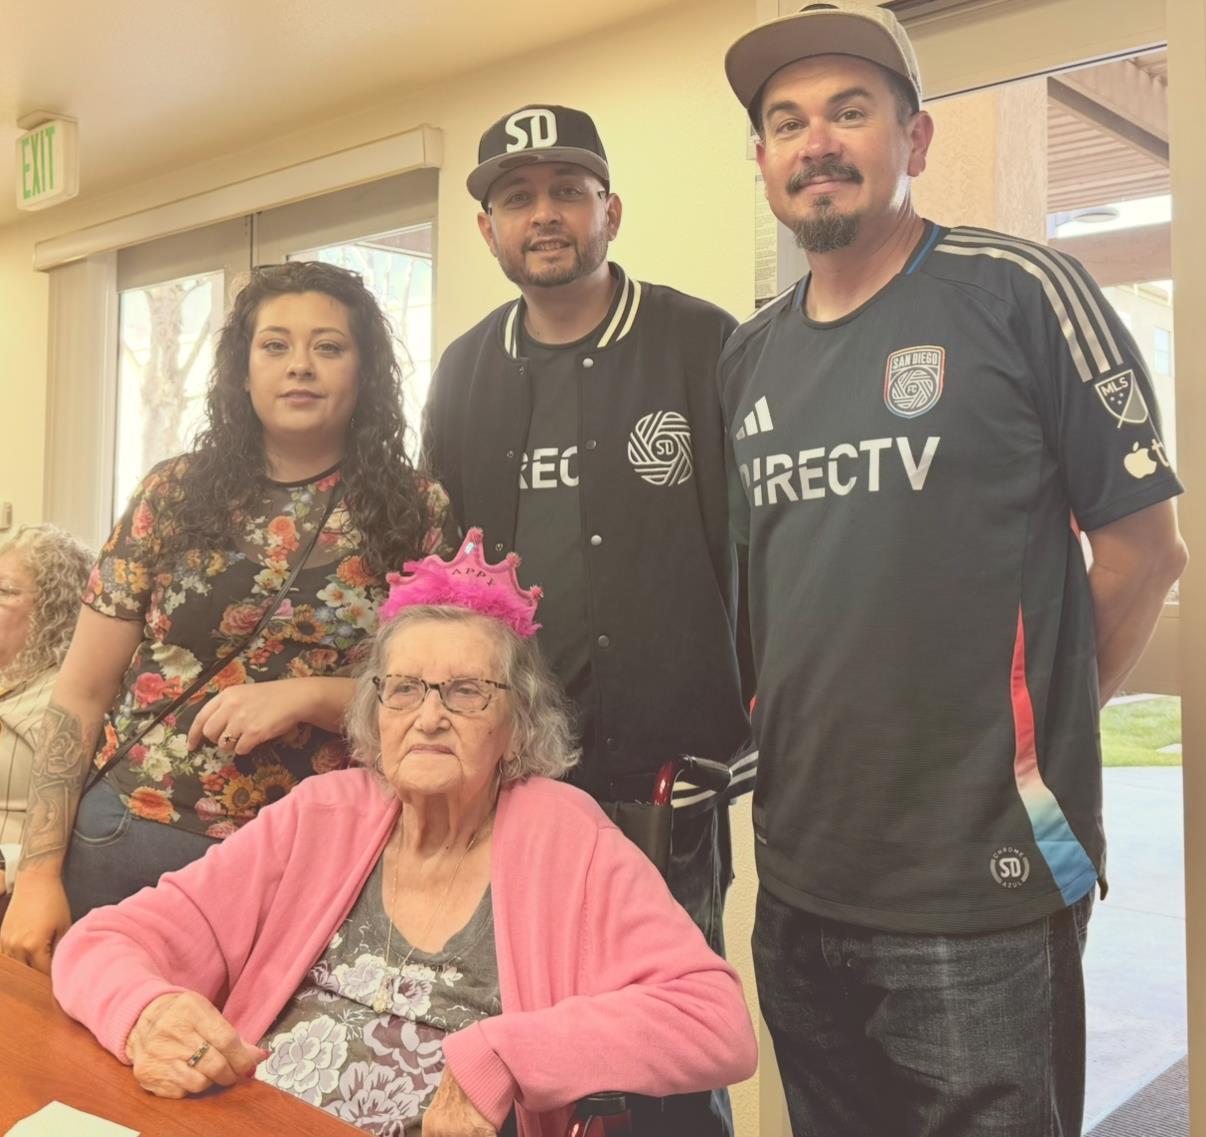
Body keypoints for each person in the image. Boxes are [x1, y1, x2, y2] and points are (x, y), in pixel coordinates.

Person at [719, 3, 1189, 1134]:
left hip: (982, 884)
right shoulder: (749, 354)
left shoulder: (1021, 293)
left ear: (913, 142)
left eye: (849, 112)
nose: (816, 141)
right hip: (800, 881)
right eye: (787, 123)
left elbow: (1142, 553)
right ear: (764, 161)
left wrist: (1027, 743)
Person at [51, 531, 757, 1137]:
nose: (429, 716)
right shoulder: (322, 814)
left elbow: (715, 1021)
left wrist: (510, 1055)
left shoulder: (562, 833)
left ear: (515, 727)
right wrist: (148, 1009)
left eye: (467, 691)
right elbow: (101, 941)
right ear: (375, 713)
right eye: (406, 688)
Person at [423, 106, 753, 1135]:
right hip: (517, 778)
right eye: (517, 197)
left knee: (667, 1046)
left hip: (667, 779)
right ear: (488, 231)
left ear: (611, 209)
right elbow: (445, 580)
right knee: (531, 1024)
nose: (545, 213)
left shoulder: (703, 342)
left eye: (568, 190)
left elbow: (764, 547)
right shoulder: (465, 370)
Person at [2, 260, 449, 974]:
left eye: (329, 346)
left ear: (366, 372)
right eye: (275, 345)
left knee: (250, 1074)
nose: (300, 366)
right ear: (242, 370)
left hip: (314, 857)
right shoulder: (171, 494)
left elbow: (440, 694)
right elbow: (79, 695)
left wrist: (311, 696)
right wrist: (36, 873)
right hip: (134, 835)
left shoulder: (414, 511)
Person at [0, 524, 93, 916]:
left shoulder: (68, 698)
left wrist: (9, 859)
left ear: (56, 606)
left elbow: (85, 836)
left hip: (17, 892)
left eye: (5, 591)